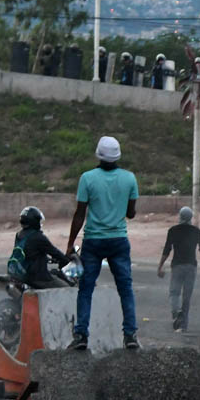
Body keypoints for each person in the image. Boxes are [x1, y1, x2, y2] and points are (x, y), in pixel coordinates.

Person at [66, 136, 140, 350]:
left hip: (93, 241)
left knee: (86, 289)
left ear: (98, 154)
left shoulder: (87, 178)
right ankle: (130, 335)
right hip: (118, 240)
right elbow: (131, 213)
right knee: (125, 288)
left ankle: (81, 335)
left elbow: (79, 214)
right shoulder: (129, 178)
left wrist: (71, 243)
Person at [157, 207, 200, 332]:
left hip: (177, 266)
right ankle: (183, 326)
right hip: (191, 267)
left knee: (174, 293)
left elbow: (166, 250)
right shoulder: (197, 231)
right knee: (187, 296)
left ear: (179, 216)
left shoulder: (173, 230)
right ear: (191, 217)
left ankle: (176, 314)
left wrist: (160, 266)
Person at [13, 206, 72, 289]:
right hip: (38, 277)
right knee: (66, 288)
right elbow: (55, 252)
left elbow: (30, 253)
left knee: (54, 273)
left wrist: (47, 259)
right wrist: (68, 262)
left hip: (23, 274)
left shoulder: (19, 235)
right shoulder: (38, 237)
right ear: (34, 221)